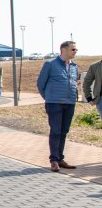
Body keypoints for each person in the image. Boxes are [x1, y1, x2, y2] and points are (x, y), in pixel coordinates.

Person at [37, 41, 80, 172]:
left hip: (70, 103)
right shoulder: (50, 64)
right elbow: (40, 84)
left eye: (76, 49)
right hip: (54, 103)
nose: (75, 51)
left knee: (64, 131)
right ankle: (54, 160)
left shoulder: (74, 66)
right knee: (55, 131)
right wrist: (49, 98)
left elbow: (74, 82)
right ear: (63, 50)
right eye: (73, 49)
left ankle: (60, 158)